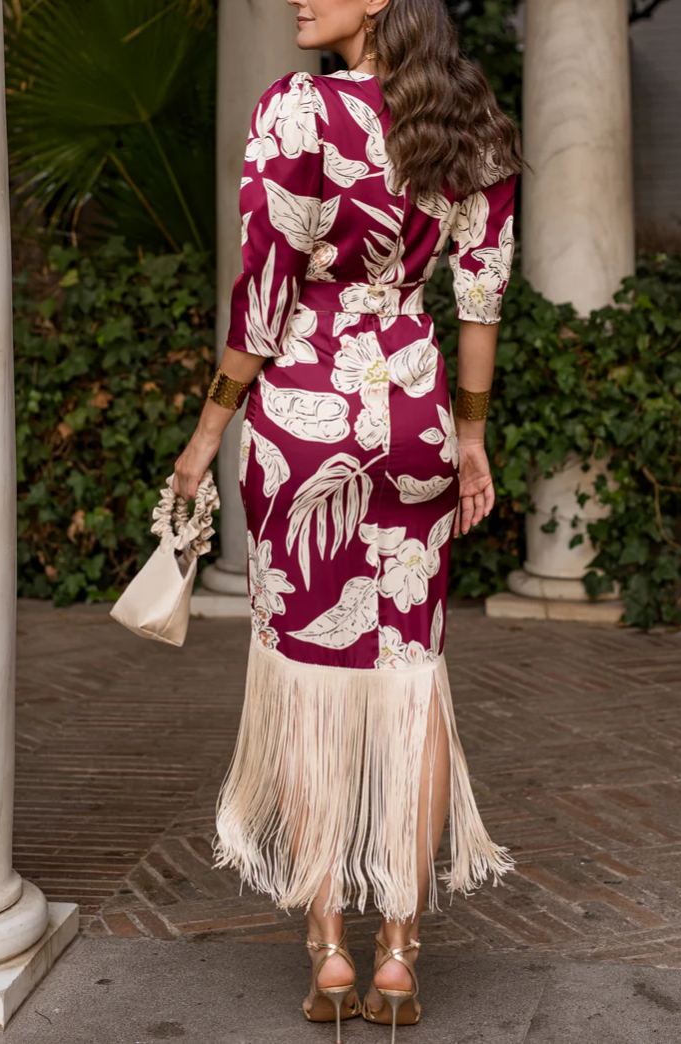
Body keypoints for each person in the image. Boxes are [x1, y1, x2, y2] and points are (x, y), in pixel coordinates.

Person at [171, 0, 520, 1039]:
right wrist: (471, 432)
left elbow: (264, 292)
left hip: (305, 424)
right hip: (412, 414)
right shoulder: (471, 121)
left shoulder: (296, 113)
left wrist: (205, 433)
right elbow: (482, 290)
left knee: (311, 680)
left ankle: (331, 952)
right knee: (410, 683)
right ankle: (401, 960)